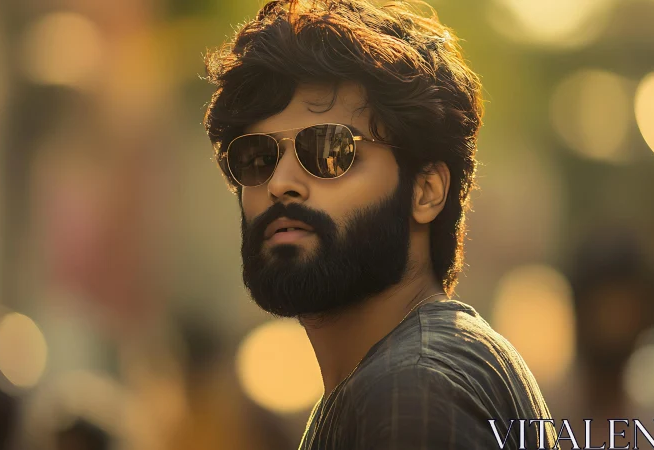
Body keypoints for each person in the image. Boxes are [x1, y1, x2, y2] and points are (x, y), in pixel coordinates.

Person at [203, 1, 556, 448]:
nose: (280, 183)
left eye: (329, 150)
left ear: (425, 191)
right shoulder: (393, 380)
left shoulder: (416, 389)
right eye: (256, 158)